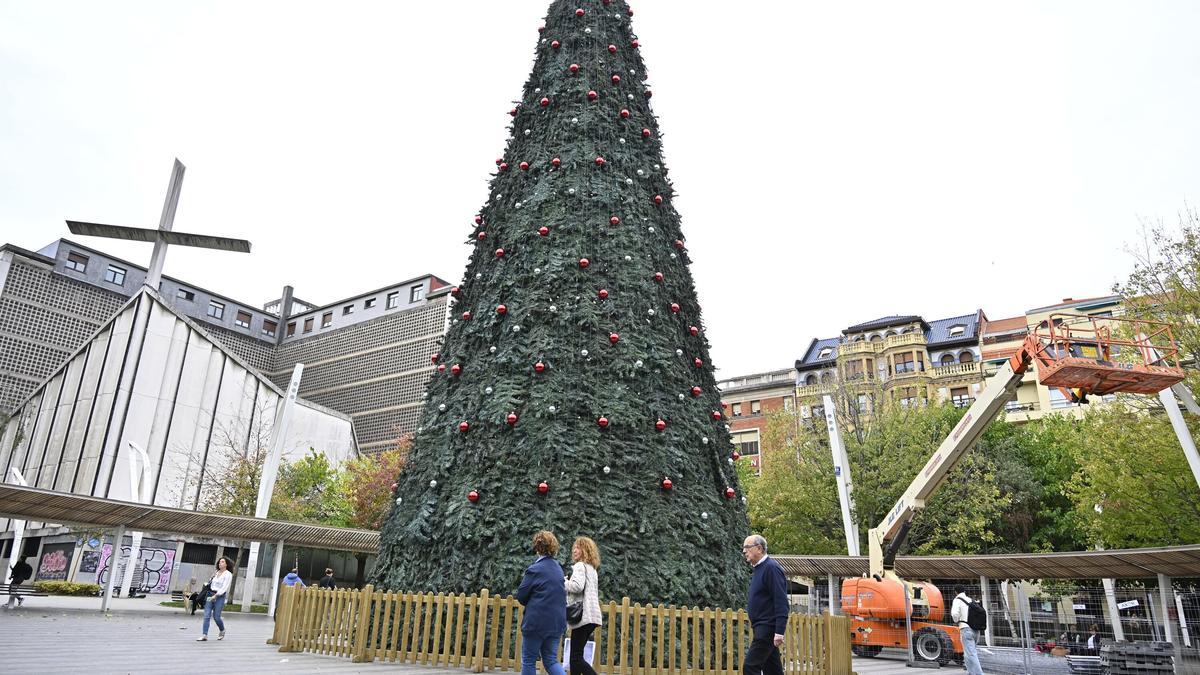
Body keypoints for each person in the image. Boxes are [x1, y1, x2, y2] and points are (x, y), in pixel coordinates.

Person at [516, 530, 567, 675]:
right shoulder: (558, 569)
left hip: (536, 623)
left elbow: (521, 596)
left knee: (528, 660)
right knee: (551, 660)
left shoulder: (534, 570)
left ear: (537, 547)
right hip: (556, 622)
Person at [742, 534, 787, 675]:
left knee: (750, 666)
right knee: (772, 670)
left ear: (759, 548)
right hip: (762, 627)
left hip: (767, 627)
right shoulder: (759, 568)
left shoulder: (771, 568)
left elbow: (781, 601)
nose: (744, 551)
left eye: (747, 547)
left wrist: (779, 631)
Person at [564, 537, 602, 675]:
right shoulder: (592, 569)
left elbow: (577, 586)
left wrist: (563, 583)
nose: (574, 550)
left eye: (578, 548)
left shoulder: (580, 566)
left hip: (582, 616)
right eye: (574, 547)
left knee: (575, 657)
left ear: (585, 551)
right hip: (592, 617)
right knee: (576, 657)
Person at [197, 557, 233, 641]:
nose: (220, 563)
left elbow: (225, 587)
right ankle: (204, 635)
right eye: (219, 562)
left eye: (222, 562)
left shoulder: (228, 574)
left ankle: (222, 630)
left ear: (226, 564)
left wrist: (216, 596)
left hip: (219, 596)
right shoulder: (216, 573)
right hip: (210, 595)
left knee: (216, 617)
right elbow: (211, 584)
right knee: (206, 615)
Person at [950, 585, 984, 675]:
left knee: (971, 654)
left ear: (955, 592)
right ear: (964, 591)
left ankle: (979, 673)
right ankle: (970, 673)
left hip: (966, 629)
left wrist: (956, 620)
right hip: (976, 630)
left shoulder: (957, 600)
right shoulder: (970, 600)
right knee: (968, 653)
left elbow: (954, 614)